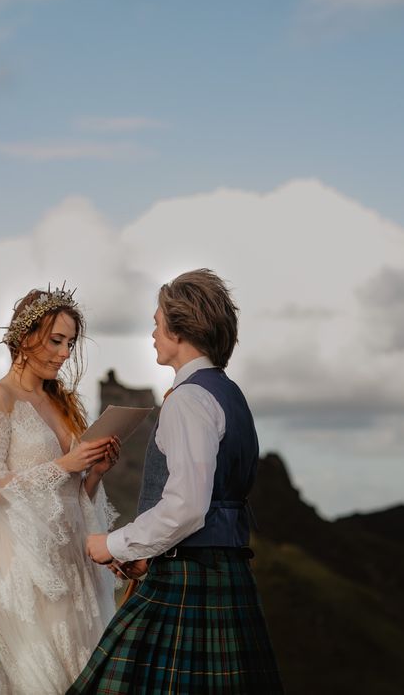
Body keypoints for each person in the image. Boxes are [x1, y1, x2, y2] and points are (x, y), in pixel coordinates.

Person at [69, 269, 284, 694]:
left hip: (189, 579)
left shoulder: (188, 401)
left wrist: (111, 544)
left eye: (157, 323)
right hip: (223, 570)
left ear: (181, 328)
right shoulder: (229, 393)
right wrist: (148, 553)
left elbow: (187, 505)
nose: (152, 333)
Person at [0, 285, 120, 694]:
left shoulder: (63, 401)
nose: (64, 353)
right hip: (22, 560)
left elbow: (74, 494)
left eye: (70, 343)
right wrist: (62, 466)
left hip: (73, 559)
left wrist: (94, 472)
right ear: (25, 336)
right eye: (56, 340)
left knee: (84, 677)